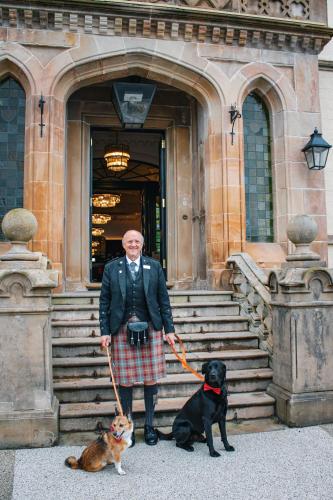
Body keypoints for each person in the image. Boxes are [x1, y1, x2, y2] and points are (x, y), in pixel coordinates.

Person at [100, 229, 176, 446]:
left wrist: (169, 330)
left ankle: (150, 426)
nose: (133, 244)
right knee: (125, 380)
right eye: (129, 241)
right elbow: (104, 302)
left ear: (142, 245)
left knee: (150, 377)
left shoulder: (154, 266)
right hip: (122, 328)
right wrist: (105, 331)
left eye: (137, 241)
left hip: (151, 327)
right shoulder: (111, 268)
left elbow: (164, 300)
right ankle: (128, 428)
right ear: (123, 245)